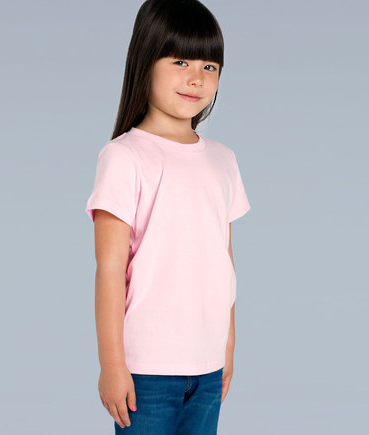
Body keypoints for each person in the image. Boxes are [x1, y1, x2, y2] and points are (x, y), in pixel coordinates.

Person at [85, 0, 252, 433]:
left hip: (208, 366)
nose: (196, 77)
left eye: (209, 66)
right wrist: (112, 364)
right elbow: (110, 269)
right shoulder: (125, 157)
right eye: (180, 61)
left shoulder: (223, 160)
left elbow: (224, 261)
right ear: (146, 61)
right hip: (146, 369)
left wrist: (228, 345)